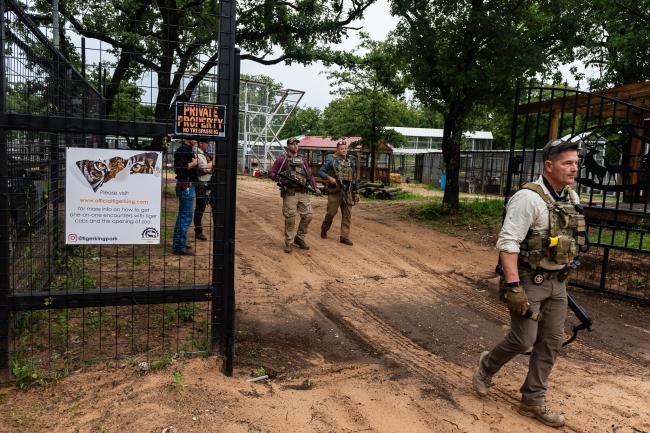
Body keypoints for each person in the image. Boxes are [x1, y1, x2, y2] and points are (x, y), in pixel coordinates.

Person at [472, 139, 587, 428]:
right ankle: (487, 366)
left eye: (576, 162)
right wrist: (513, 286)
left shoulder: (570, 197)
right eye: (567, 163)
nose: (574, 168)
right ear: (549, 165)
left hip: (558, 282)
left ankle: (532, 400)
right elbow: (508, 243)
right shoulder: (528, 198)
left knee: (550, 343)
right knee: (523, 339)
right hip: (529, 281)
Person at [269, 137, 320, 253]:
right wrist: (279, 178)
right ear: (288, 146)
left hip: (303, 192)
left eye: (297, 144)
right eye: (292, 144)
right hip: (290, 193)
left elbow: (309, 175)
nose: (295, 146)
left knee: (308, 215)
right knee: (290, 218)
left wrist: (315, 187)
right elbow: (271, 173)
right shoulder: (282, 159)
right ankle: (289, 242)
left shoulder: (302, 159)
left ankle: (300, 238)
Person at [319, 141, 359, 245]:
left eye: (345, 148)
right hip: (335, 191)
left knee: (347, 215)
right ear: (337, 149)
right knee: (331, 213)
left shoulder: (351, 160)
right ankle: (324, 228)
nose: (344, 150)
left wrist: (356, 192)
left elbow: (354, 177)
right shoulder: (331, 159)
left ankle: (344, 237)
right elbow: (321, 172)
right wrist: (329, 177)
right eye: (342, 148)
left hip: (347, 191)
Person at [172, 139, 199, 255]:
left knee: (183, 215)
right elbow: (180, 168)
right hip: (186, 185)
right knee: (186, 216)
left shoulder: (187, 150)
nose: (196, 140)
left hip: (187, 185)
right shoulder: (184, 150)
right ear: (187, 139)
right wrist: (194, 163)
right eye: (193, 137)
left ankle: (179, 243)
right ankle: (179, 246)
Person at [194, 141, 213, 241]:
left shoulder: (204, 153)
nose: (208, 145)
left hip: (208, 183)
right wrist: (214, 163)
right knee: (200, 209)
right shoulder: (198, 153)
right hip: (202, 184)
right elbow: (205, 168)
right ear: (201, 143)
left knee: (203, 208)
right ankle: (198, 231)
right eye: (207, 143)